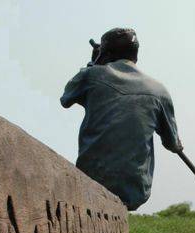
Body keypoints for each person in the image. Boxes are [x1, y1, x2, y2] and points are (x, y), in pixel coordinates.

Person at [60, 28, 183, 210]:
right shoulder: (159, 90)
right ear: (136, 54)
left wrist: (94, 63)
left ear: (105, 54)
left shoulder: (92, 75)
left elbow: (66, 98)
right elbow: (173, 144)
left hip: (90, 181)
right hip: (135, 190)